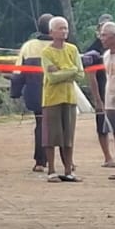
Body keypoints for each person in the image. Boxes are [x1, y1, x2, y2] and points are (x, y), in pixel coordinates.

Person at [39, 15, 82, 182]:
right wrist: (69, 70)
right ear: (51, 32)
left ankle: (68, 169)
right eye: (60, 28)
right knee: (51, 136)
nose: (64, 31)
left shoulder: (73, 50)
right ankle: (51, 170)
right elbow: (51, 78)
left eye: (65, 28)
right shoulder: (46, 52)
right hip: (51, 99)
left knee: (68, 136)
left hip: (70, 98)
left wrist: (62, 70)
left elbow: (80, 73)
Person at [10, 13, 52, 172]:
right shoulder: (60, 45)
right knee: (59, 125)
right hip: (57, 92)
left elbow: (18, 72)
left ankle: (40, 161)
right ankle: (65, 161)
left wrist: (15, 92)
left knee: (41, 124)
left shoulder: (29, 46)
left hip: (35, 93)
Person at [83, 20, 115, 169]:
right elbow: (91, 76)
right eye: (102, 32)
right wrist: (97, 99)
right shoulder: (93, 50)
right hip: (102, 91)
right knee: (102, 127)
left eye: (106, 33)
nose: (103, 36)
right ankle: (108, 157)